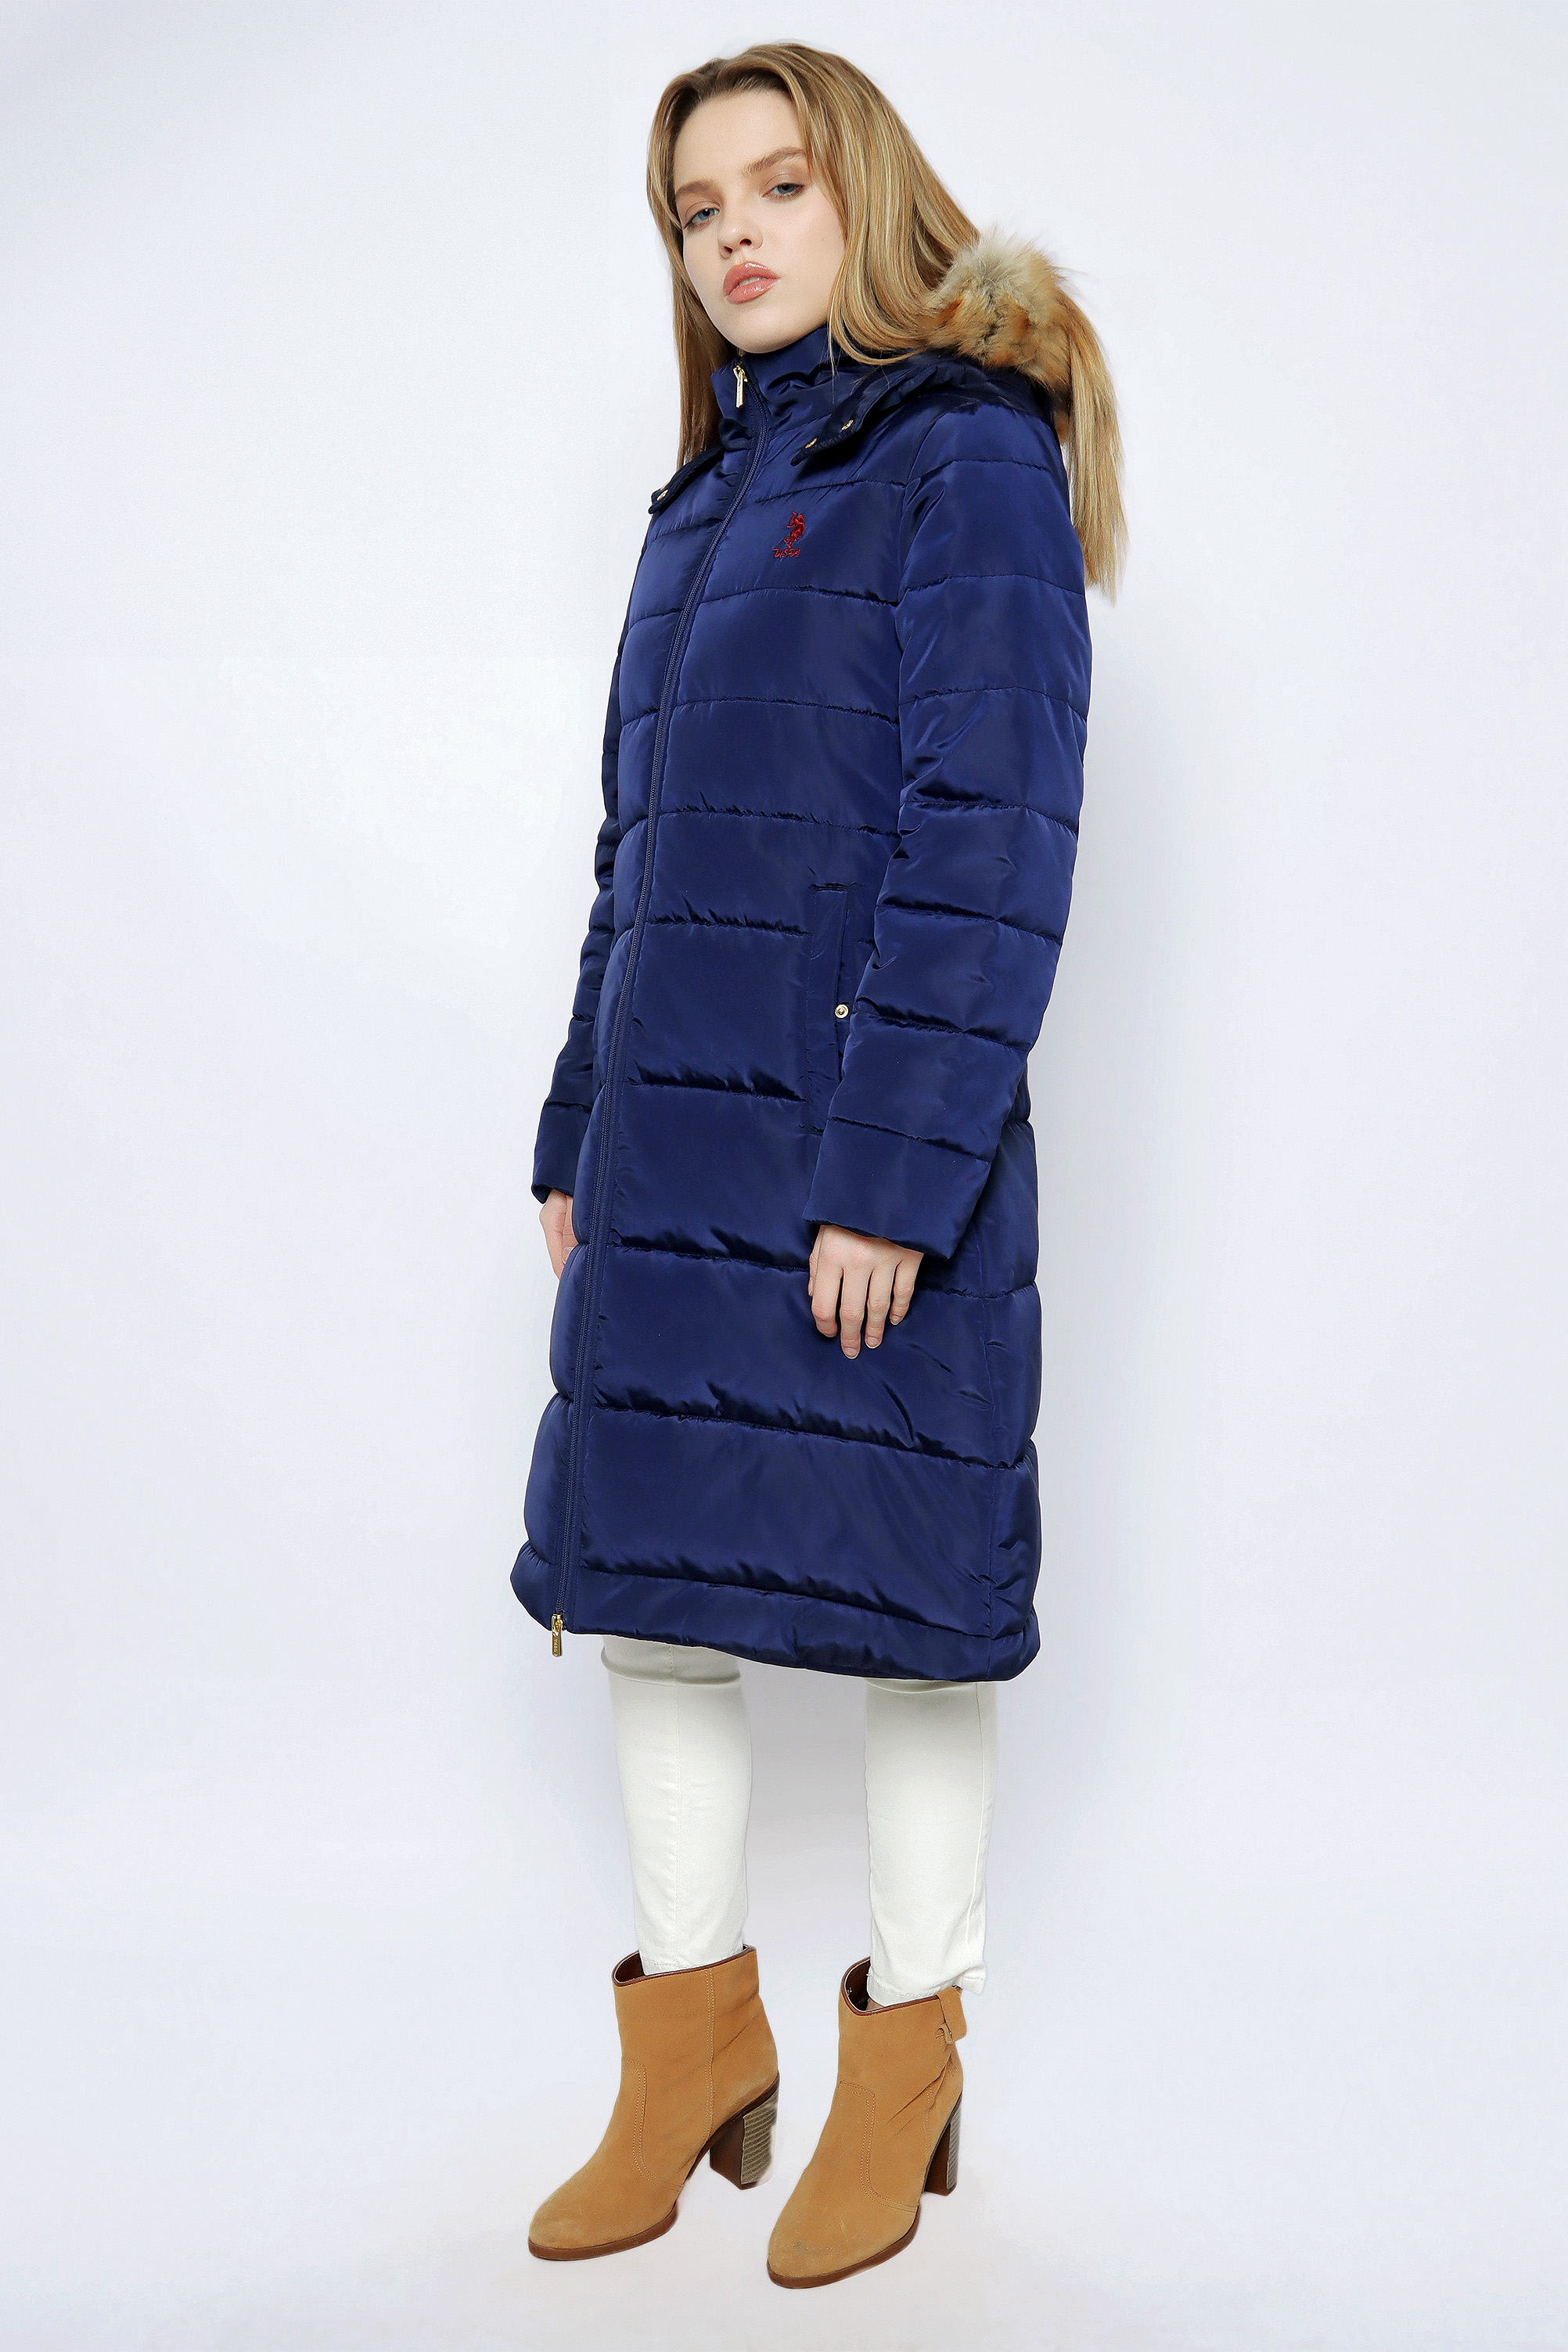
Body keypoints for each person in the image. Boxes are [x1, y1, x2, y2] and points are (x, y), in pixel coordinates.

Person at [516, 41, 1123, 2289]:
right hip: (671, 1148)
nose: (736, 236)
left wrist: (894, 1172)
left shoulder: (965, 458)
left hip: (863, 1158)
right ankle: (687, 2047)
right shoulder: (700, 503)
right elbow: (640, 855)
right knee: (654, 1607)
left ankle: (907, 2058)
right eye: (698, 209)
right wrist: (576, 1119)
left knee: (910, 1612)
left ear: (864, 192)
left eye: (777, 185)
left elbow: (994, 838)